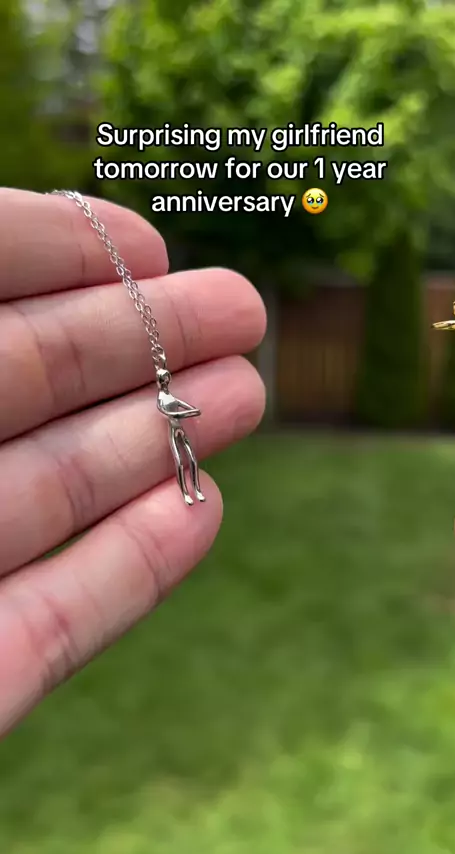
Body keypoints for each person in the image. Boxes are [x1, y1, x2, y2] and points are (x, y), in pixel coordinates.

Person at [0, 188, 266, 736]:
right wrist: (188, 409)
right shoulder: (166, 401)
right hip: (176, 437)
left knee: (187, 466)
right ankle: (189, 491)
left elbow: (181, 408)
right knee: (185, 466)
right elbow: (179, 409)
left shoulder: (167, 397)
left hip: (179, 437)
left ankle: (190, 491)